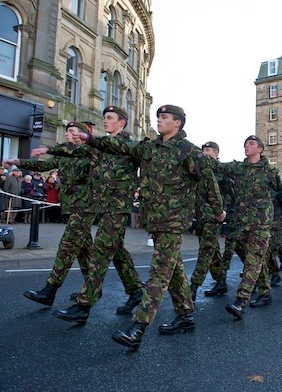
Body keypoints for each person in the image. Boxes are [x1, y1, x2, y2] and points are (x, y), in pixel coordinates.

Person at [70, 104, 224, 350]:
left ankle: (138, 328)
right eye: (159, 117)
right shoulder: (150, 147)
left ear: (178, 123)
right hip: (154, 218)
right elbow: (120, 145)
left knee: (159, 272)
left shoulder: (190, 152)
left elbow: (209, 184)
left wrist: (218, 211)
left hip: (174, 221)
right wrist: (89, 138)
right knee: (173, 268)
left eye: (164, 117)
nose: (159, 121)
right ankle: (185, 315)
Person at [36, 106, 144, 324]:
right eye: (104, 117)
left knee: (101, 251)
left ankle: (84, 305)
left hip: (117, 208)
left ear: (121, 123)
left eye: (110, 118)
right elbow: (72, 150)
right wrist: (49, 148)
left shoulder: (130, 145)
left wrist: (90, 138)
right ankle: (136, 291)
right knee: (117, 251)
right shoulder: (99, 146)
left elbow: (113, 145)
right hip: (101, 206)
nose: (106, 121)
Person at [4, 121, 95, 307]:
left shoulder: (90, 153)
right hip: (71, 207)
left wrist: (49, 148)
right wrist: (17, 162)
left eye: (71, 131)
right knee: (85, 252)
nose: (67, 134)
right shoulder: (64, 155)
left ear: (82, 135)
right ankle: (93, 288)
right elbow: (43, 166)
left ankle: (49, 290)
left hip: (84, 208)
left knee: (67, 247)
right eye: (66, 131)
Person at [220, 135, 282, 319]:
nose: (246, 145)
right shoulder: (238, 169)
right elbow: (218, 167)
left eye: (251, 143)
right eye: (245, 143)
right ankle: (265, 292)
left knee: (254, 259)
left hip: (261, 222)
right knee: (251, 259)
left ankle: (241, 301)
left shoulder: (270, 170)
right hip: (242, 222)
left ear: (260, 149)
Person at [189, 141, 228, 301]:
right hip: (201, 216)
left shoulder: (219, 170)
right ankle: (221, 281)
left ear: (216, 153)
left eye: (209, 150)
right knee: (213, 251)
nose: (205, 153)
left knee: (205, 251)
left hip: (213, 216)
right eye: (204, 150)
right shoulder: (199, 170)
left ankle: (194, 286)